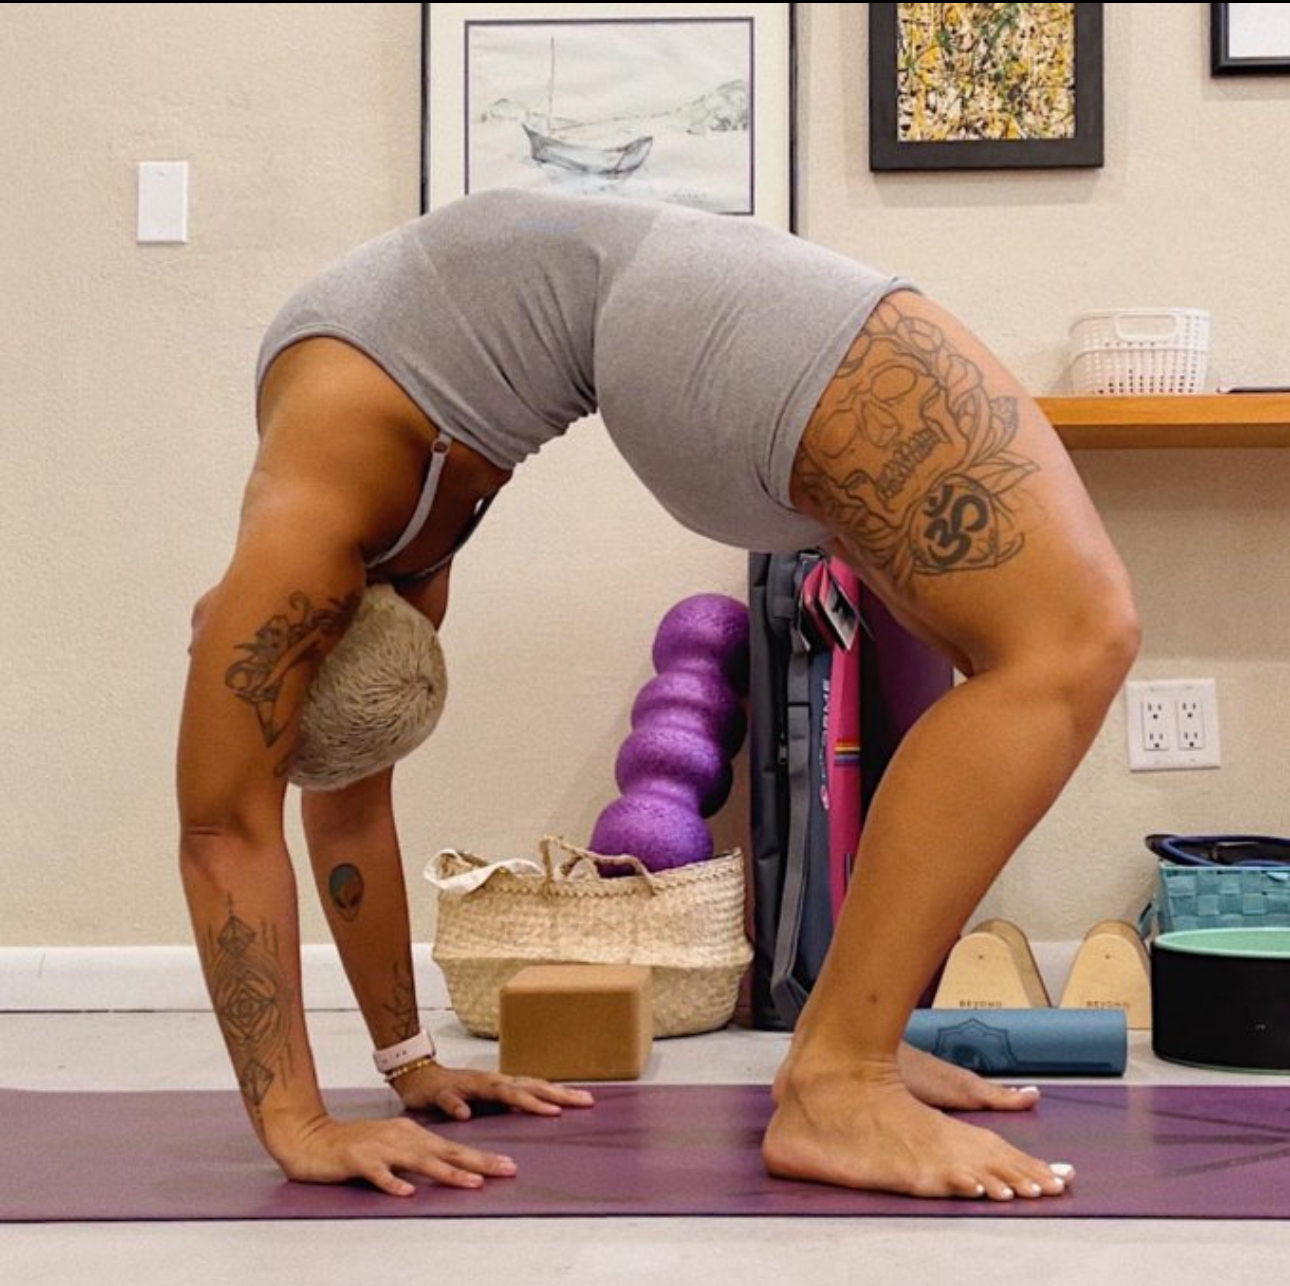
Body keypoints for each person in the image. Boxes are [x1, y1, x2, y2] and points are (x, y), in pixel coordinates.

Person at [178, 186, 1139, 1202]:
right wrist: (371, 1086)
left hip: (679, 319)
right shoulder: (367, 541)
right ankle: (843, 1071)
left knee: (1047, 640)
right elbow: (322, 816)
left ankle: (847, 1053)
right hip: (674, 321)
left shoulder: (309, 527)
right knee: (1069, 637)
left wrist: (343, 1101)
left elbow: (225, 826)